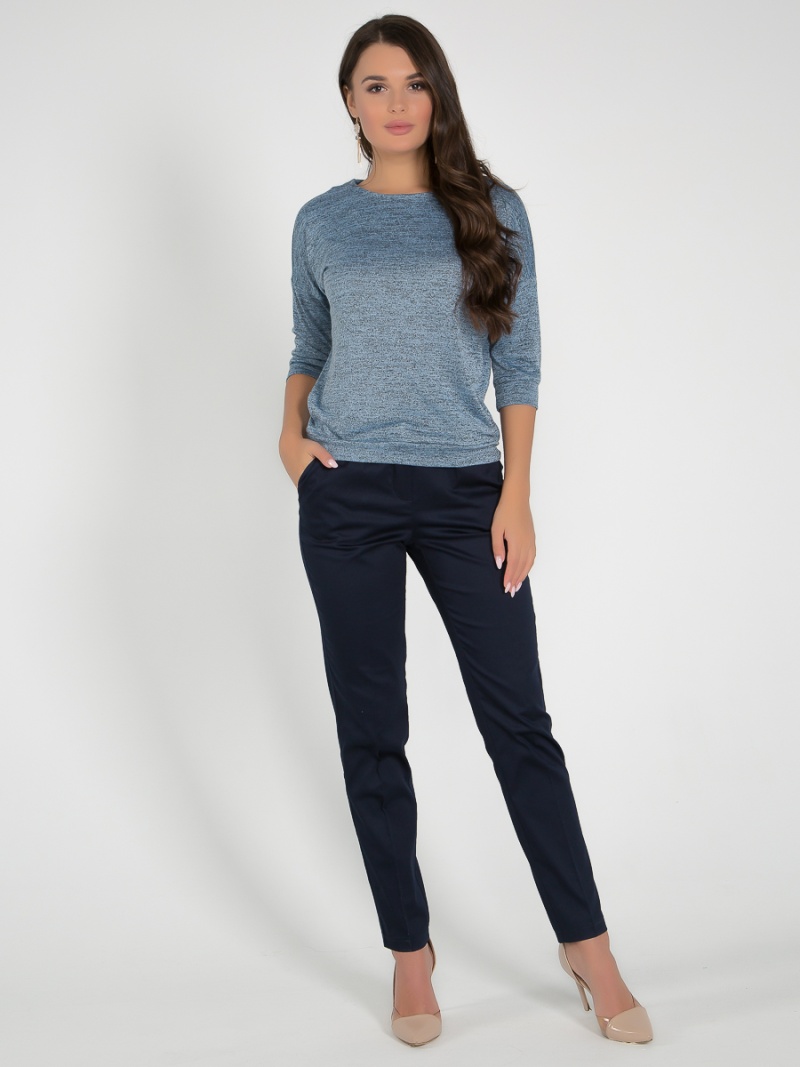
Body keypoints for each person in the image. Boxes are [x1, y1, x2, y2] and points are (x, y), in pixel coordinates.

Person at [278, 13, 653, 1049]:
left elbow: (517, 363)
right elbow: (308, 342)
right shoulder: (321, 220)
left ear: (436, 94)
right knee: (372, 729)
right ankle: (410, 951)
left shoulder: (492, 210)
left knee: (518, 723)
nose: (396, 102)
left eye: (414, 82)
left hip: (463, 495)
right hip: (346, 496)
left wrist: (515, 493)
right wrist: (289, 437)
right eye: (375, 84)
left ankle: (587, 945)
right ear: (349, 103)